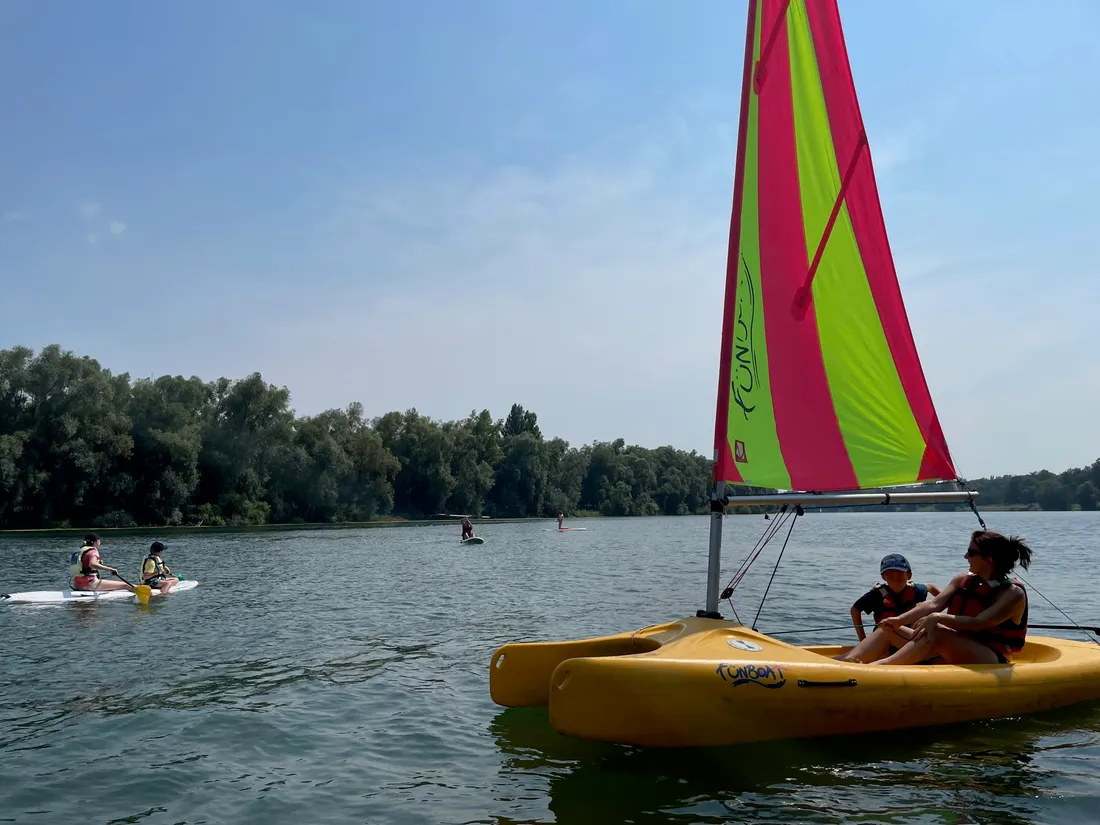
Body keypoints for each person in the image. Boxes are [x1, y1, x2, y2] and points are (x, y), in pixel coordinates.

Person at [860, 530, 1032, 666]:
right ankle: (845, 662)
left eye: (971, 552)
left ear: (989, 559)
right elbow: (934, 603)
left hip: (991, 658)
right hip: (954, 646)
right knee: (888, 627)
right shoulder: (962, 579)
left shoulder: (1012, 594)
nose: (965, 557)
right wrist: (899, 619)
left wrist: (938, 618)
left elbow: (979, 622)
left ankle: (879, 667)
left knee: (938, 631)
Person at [834, 553, 940, 663]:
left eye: (900, 576)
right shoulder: (877, 594)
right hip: (884, 637)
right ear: (883, 577)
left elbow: (931, 587)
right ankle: (842, 660)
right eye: (891, 577)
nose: (896, 580)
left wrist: (944, 608)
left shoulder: (915, 590)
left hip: (905, 637)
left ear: (909, 576)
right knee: (885, 633)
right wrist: (862, 639)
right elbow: (855, 609)